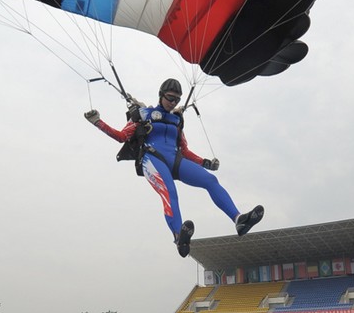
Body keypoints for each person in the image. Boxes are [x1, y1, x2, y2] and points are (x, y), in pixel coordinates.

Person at [84, 78, 264, 257]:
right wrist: (97, 122)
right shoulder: (143, 114)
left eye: (177, 100)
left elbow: (184, 150)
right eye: (170, 98)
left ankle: (238, 219)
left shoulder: (176, 120)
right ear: (161, 95)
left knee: (210, 180)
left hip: (175, 159)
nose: (173, 103)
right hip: (152, 158)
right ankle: (179, 236)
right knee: (170, 191)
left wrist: (205, 163)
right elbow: (121, 136)